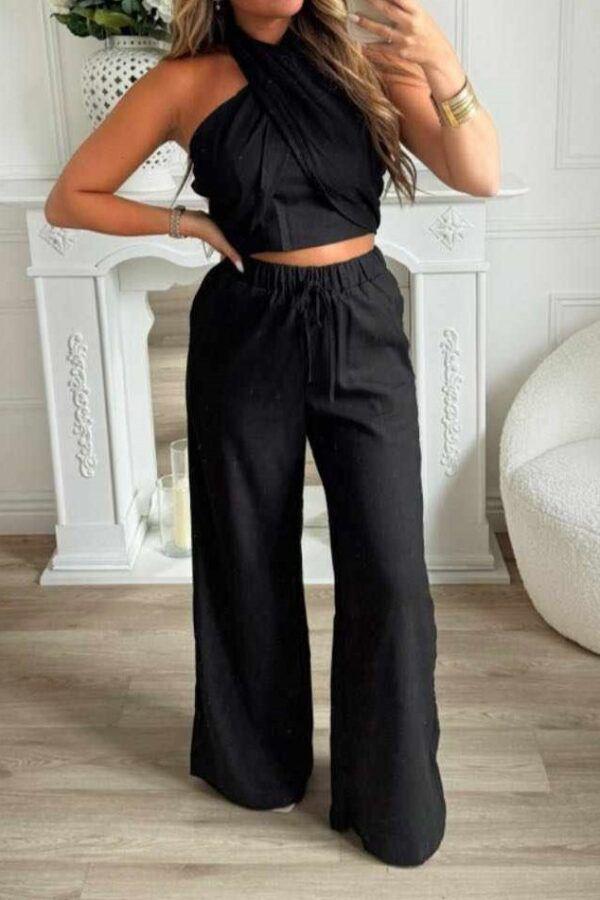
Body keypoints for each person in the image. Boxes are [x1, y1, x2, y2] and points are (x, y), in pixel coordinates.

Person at [44, 0, 500, 867]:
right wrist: (185, 224)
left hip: (360, 320)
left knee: (392, 572)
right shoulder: (183, 81)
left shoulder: (363, 63)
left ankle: (393, 801)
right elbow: (72, 198)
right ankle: (258, 768)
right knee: (246, 554)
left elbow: (478, 172)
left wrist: (443, 65)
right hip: (247, 326)